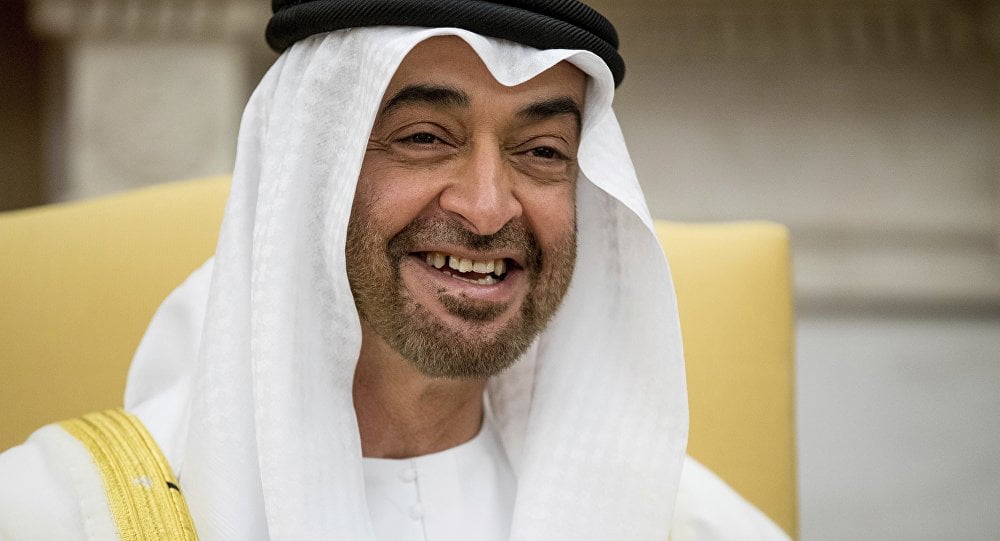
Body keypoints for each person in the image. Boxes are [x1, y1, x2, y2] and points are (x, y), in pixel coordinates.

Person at [0, 2, 790, 539]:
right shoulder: (58, 514)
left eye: (543, 151)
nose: (488, 207)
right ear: (312, 175)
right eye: (423, 138)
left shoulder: (678, 523)